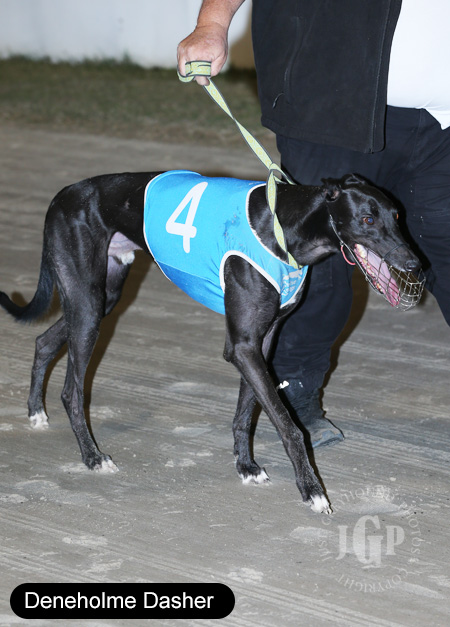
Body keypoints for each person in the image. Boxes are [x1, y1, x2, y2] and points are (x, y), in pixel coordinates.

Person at [177, 0, 450, 448]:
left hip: (442, 122)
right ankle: (293, 391)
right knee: (320, 265)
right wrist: (212, 23)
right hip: (331, 103)